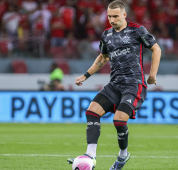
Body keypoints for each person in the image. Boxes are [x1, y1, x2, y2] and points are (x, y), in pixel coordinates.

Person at [67, 1, 161, 170]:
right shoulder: (106, 35)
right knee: (91, 112)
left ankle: (123, 155)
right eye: (109, 16)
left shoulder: (137, 30)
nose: (111, 19)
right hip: (115, 84)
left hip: (133, 84)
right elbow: (103, 58)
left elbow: (156, 49)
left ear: (124, 15)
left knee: (118, 120)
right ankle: (90, 155)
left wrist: (152, 74)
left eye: (115, 16)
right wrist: (85, 75)